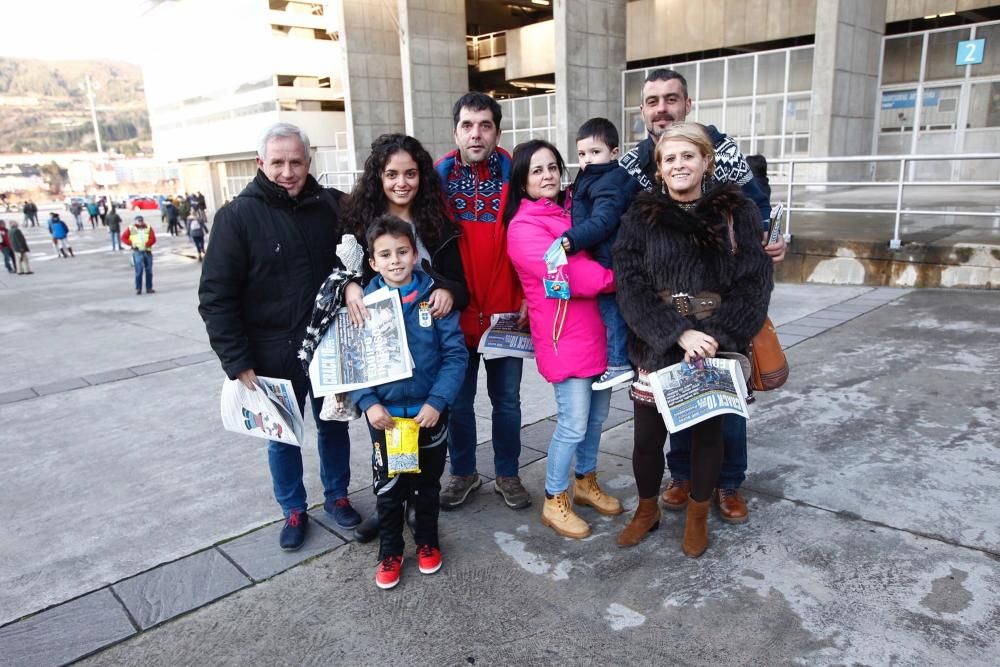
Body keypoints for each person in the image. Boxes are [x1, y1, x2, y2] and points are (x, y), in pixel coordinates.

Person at [619, 68, 785, 524]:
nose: (662, 108)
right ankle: (683, 478)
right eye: (653, 101)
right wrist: (674, 331)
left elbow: (755, 249)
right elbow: (627, 266)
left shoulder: (731, 188)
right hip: (662, 330)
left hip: (719, 327)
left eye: (671, 99)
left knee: (722, 418)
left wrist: (714, 333)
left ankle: (727, 484)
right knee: (666, 421)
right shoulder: (634, 174)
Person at [199, 122, 362, 552]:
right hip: (270, 354)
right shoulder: (236, 217)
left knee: (333, 427)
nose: (287, 171)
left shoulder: (334, 206)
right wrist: (237, 360)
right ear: (261, 163)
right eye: (278, 162)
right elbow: (216, 297)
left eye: (296, 162)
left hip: (329, 347)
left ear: (309, 162)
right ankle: (293, 508)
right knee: (283, 436)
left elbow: (360, 258)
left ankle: (338, 496)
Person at [341, 132, 470, 543]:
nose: (402, 182)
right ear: (377, 177)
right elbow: (341, 277)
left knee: (429, 448)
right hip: (384, 372)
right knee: (391, 457)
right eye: (392, 173)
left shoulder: (436, 222)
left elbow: (457, 282)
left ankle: (420, 511)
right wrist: (350, 287)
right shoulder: (358, 225)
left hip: (428, 353)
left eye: (411, 173)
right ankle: (390, 512)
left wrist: (448, 290)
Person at [505, 140, 623, 539]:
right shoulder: (522, 228)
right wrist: (618, 279)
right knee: (572, 423)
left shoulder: (572, 210)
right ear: (522, 181)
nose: (548, 175)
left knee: (596, 420)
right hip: (564, 338)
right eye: (537, 170)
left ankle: (585, 483)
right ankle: (555, 500)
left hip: (598, 333)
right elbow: (568, 275)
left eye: (553, 167)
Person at [349, 215, 467, 589]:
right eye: (385, 254)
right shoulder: (364, 306)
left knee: (427, 485)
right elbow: (354, 363)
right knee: (389, 489)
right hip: (386, 420)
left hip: (428, 416)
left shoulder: (434, 301)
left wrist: (437, 401)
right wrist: (369, 403)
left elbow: (455, 356)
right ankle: (390, 550)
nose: (395, 260)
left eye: (402, 251)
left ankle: (428, 541)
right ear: (372, 262)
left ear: (416, 254)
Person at [434, 92, 530, 511]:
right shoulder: (436, 175)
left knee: (506, 401)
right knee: (458, 402)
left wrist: (530, 294)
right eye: (468, 125)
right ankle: (464, 472)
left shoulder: (517, 170)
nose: (476, 134)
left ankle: (507, 473)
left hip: (507, 311)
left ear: (498, 131)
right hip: (456, 313)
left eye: (485, 125)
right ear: (455, 130)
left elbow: (538, 234)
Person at [561, 117, 634, 390]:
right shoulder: (595, 176)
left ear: (614, 153)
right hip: (608, 255)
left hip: (611, 258)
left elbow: (604, 220)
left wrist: (571, 239)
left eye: (595, 152)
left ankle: (618, 364)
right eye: (582, 154)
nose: (587, 159)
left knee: (611, 312)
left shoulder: (608, 181)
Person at [122, 215, 156, 294]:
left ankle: (149, 288)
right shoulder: (132, 228)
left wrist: (147, 244)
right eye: (138, 221)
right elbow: (124, 237)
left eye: (141, 221)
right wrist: (131, 244)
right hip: (137, 251)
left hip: (147, 251)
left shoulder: (148, 227)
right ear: (135, 221)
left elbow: (153, 238)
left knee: (149, 271)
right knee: (139, 271)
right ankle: (138, 288)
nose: (140, 222)